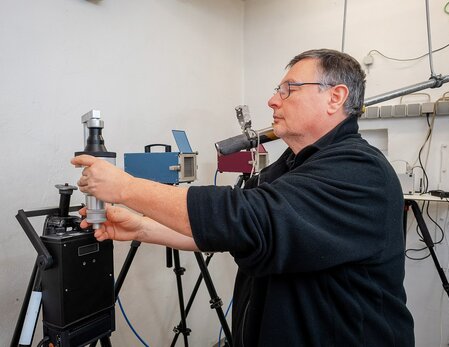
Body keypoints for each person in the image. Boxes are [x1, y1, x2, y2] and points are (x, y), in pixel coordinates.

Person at [72, 49, 415, 346]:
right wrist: (142, 228)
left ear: (336, 97)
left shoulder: (360, 170)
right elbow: (236, 232)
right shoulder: (293, 165)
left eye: (289, 89)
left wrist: (126, 188)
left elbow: (245, 216)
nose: (273, 100)